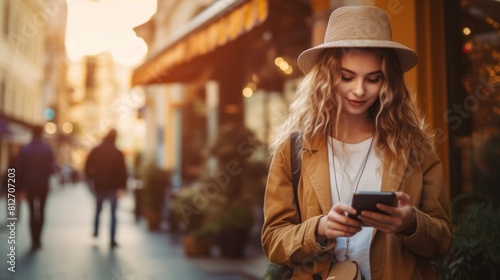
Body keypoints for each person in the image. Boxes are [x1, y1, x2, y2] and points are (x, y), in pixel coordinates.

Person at [261, 6, 452, 280]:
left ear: (388, 82)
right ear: (325, 77)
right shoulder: (293, 149)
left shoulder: (415, 147)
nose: (360, 90)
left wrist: (411, 223)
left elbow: (443, 241)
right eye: (346, 77)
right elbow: (273, 241)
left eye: (373, 79)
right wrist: (321, 228)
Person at [85, 129, 127, 248]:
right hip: (113, 187)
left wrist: (91, 178)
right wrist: (122, 187)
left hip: (99, 185)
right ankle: (112, 239)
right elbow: (123, 172)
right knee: (113, 213)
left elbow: (87, 166)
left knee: (98, 209)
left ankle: (96, 231)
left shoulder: (96, 150)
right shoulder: (118, 153)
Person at [17, 125, 56, 250]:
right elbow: (52, 167)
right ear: (42, 133)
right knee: (42, 211)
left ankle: (33, 240)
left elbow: (19, 170)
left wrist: (19, 188)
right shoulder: (47, 148)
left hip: (29, 185)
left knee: (32, 212)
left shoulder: (25, 149)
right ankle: (38, 239)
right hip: (43, 184)